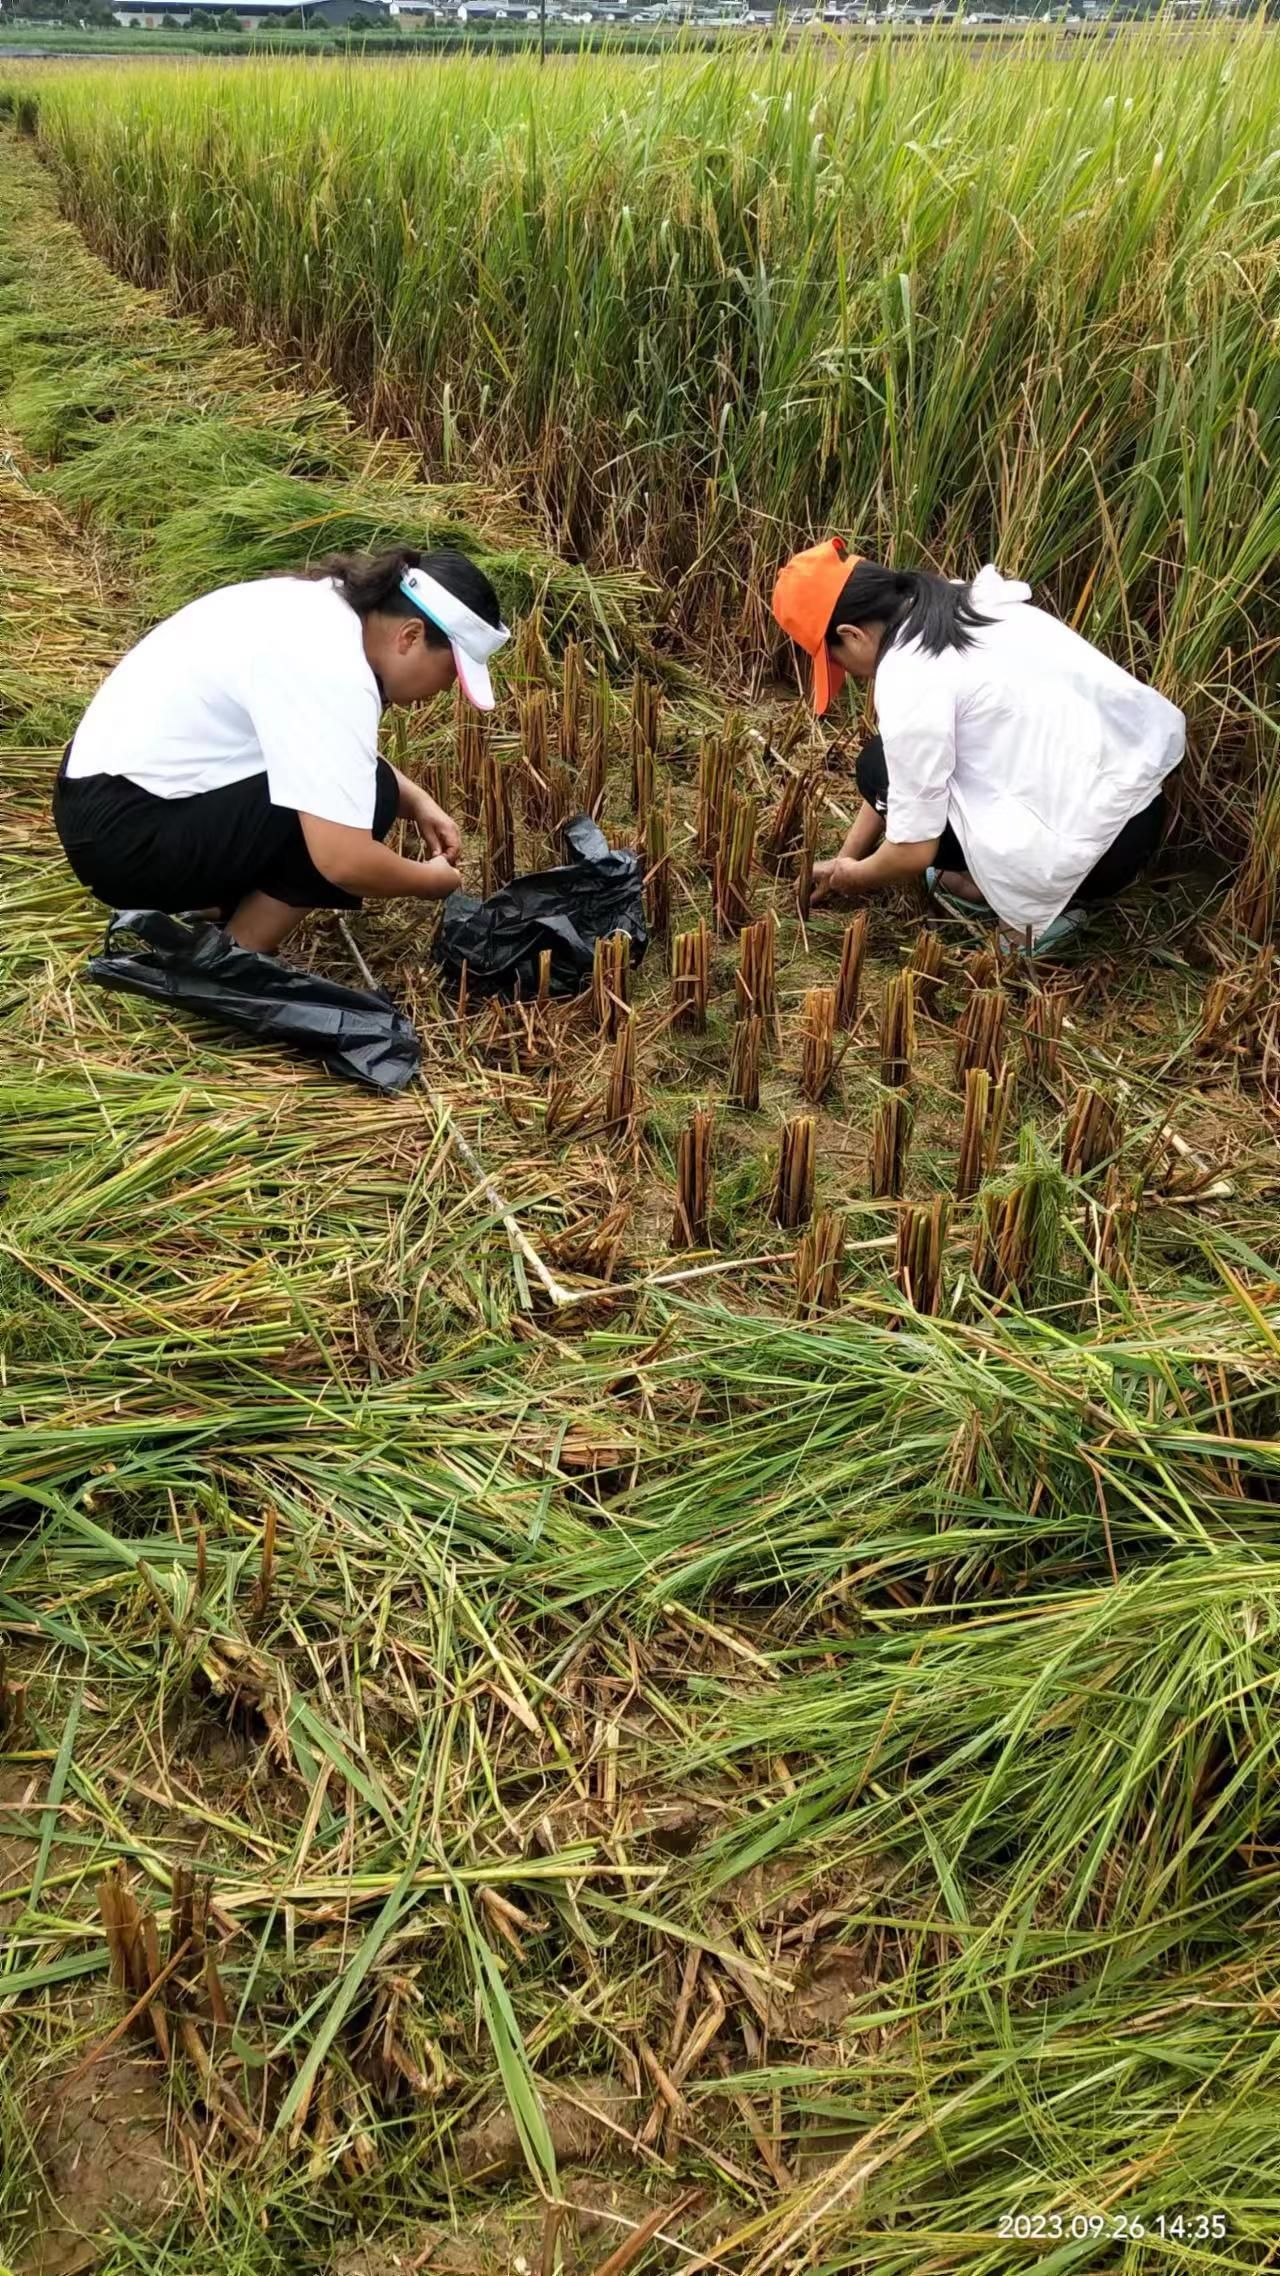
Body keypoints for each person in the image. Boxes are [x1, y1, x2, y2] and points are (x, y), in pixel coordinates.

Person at [52, 546, 509, 954]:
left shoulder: (320, 608)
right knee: (371, 796)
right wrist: (428, 881)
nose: (445, 690)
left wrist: (419, 800)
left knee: (369, 786)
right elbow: (343, 861)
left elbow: (318, 745)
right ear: (409, 636)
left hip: (101, 803)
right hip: (128, 843)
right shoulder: (334, 670)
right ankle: (234, 956)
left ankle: (214, 904)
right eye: (450, 673)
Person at [771, 540, 1185, 952]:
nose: (849, 674)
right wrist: (849, 856)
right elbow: (902, 769)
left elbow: (913, 851)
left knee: (876, 769)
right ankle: (1003, 884)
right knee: (886, 760)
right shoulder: (965, 601)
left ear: (852, 635)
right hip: (1139, 812)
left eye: (836, 661)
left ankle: (1030, 921)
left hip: (1097, 857)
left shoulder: (910, 677)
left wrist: (851, 877)